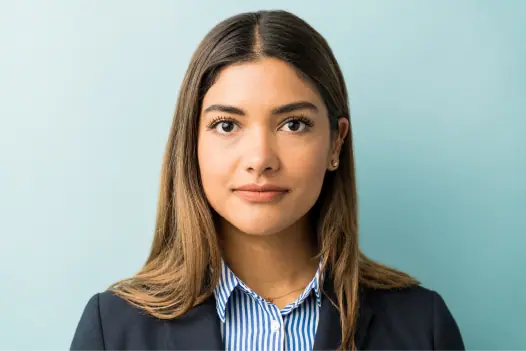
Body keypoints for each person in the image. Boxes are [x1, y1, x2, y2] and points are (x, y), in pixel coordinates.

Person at [70, 9, 465, 351]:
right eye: (227, 125)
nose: (259, 159)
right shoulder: (114, 329)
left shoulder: (421, 326)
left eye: (293, 124)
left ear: (336, 143)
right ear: (192, 144)